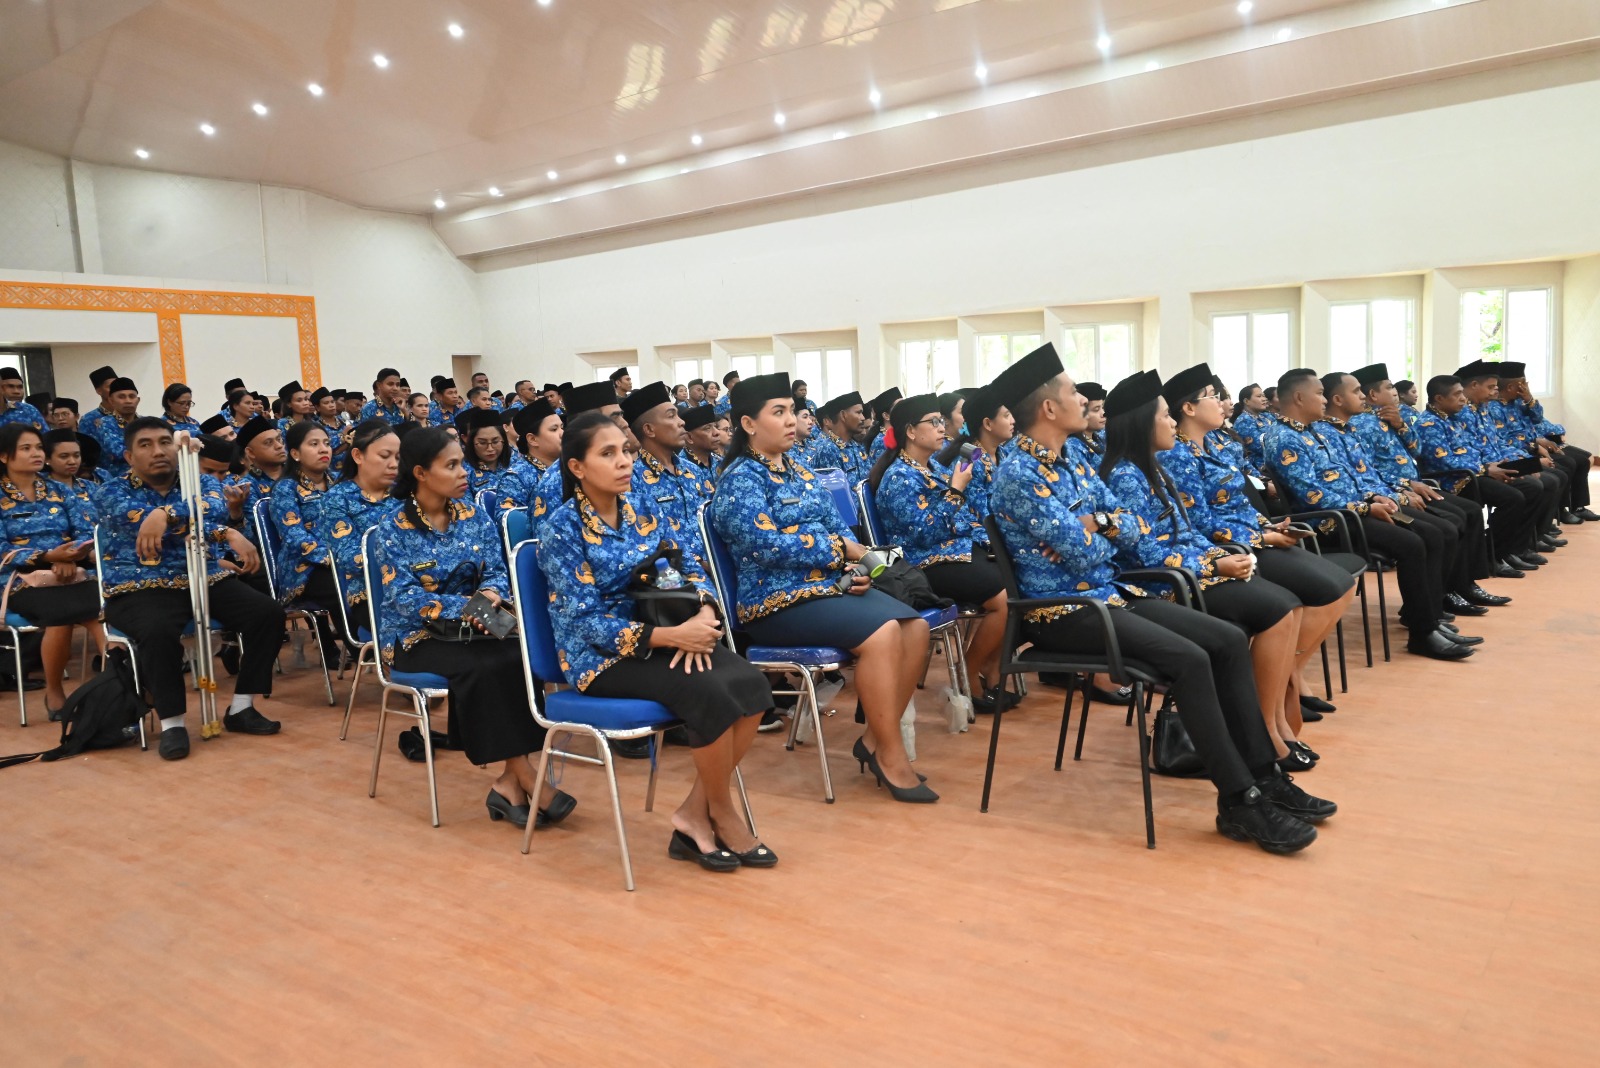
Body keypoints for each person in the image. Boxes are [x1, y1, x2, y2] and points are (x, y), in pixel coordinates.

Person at [987, 345, 1333, 853]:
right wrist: (1103, 530)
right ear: (1048, 409)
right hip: (1061, 611)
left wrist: (1100, 522)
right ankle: (1240, 801)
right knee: (1192, 659)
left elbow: (1130, 529)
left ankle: (1266, 774)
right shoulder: (1019, 473)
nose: (1082, 399)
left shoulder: (1077, 460)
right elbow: (1081, 557)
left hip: (1110, 596)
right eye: (1071, 392)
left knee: (1229, 639)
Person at [541, 412, 776, 870]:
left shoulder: (642, 507)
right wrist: (672, 636)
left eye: (625, 451)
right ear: (577, 468)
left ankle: (694, 811)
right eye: (607, 454)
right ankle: (722, 813)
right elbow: (584, 621)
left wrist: (705, 611)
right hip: (603, 659)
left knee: (750, 685)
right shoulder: (561, 530)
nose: (624, 461)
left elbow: (691, 566)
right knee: (708, 692)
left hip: (672, 635)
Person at [709, 373, 936, 803]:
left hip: (829, 590)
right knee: (885, 632)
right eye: (778, 412)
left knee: (915, 628)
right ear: (748, 424)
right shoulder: (740, 481)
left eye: (791, 411)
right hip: (775, 601)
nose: (792, 420)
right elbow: (764, 546)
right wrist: (836, 551)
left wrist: (858, 568)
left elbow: (839, 531)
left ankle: (873, 740)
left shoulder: (801, 471)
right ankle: (890, 754)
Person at [1100, 369, 1313, 770]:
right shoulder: (1126, 476)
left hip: (1192, 571)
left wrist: (1219, 557)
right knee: (1277, 609)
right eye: (1164, 416)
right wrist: (1214, 562)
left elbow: (1186, 532)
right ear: (1142, 424)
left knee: (1285, 604)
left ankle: (1272, 721)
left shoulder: (1150, 468)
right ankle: (1263, 730)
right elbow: (1146, 552)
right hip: (1162, 585)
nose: (1170, 424)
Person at [376, 426, 574, 829]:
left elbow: (500, 570)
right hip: (416, 634)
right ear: (420, 473)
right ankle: (525, 777)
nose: (464, 472)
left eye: (462, 462)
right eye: (451, 465)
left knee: (519, 655)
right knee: (482, 667)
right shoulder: (391, 530)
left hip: (477, 618)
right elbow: (404, 599)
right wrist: (466, 606)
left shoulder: (472, 515)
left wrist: (490, 593)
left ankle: (509, 781)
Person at [1160, 364, 1358, 760]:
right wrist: (1260, 537)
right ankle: (1268, 719)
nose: (1222, 402)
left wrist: (1271, 525)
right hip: (1231, 551)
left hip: (1253, 538)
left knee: (1338, 581)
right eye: (1213, 396)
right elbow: (1197, 524)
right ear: (1188, 408)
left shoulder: (1216, 445)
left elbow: (1236, 505)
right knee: (1302, 596)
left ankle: (1286, 683)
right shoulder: (1178, 456)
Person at [94, 418, 286, 759]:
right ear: (128, 457)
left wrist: (166, 515)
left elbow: (211, 508)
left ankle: (242, 707)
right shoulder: (111, 490)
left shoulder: (197, 481)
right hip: (138, 585)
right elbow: (136, 516)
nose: (158, 451)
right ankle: (173, 724)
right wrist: (205, 527)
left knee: (267, 613)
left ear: (177, 447)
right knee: (157, 631)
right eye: (145, 444)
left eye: (165, 442)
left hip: (201, 575)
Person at [1266, 369, 1473, 661]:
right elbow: (1312, 496)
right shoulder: (1284, 438)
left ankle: (1428, 619)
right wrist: (1366, 507)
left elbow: (1350, 479)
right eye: (1319, 393)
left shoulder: (1311, 431)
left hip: (1354, 510)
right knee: (1412, 544)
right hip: (1328, 521)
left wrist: (1375, 497)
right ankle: (1422, 633)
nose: (1324, 399)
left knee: (1433, 532)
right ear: (1299, 397)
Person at [867, 393, 1009, 709]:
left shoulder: (933, 467)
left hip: (953, 551)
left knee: (1020, 580)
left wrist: (988, 539)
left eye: (941, 421)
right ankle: (970, 673)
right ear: (911, 431)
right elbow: (924, 532)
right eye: (933, 422)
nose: (941, 426)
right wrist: (957, 490)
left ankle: (993, 669)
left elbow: (964, 519)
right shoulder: (899, 477)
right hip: (922, 563)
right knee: (1004, 599)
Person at [1346, 363, 1506, 613]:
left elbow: (1416, 449)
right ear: (1374, 396)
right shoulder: (1362, 426)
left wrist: (1400, 424)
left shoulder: (1390, 417)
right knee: (1451, 523)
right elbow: (1370, 469)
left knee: (1471, 512)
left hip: (1414, 485)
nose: (1395, 392)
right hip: (1397, 491)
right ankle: (1443, 594)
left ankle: (1464, 584)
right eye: (1389, 388)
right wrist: (1405, 486)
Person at [0, 424, 106, 716]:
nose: (36, 453)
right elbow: (1, 549)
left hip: (70, 571)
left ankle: (116, 690)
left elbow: (85, 530)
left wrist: (70, 557)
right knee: (61, 616)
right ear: (4, 456)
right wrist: (47, 556)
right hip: (20, 580)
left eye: (38, 447)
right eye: (26, 448)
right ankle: (55, 692)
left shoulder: (58, 489)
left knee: (105, 611)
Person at [1415, 374, 1547, 575]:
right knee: (1512, 498)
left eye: (1462, 393)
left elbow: (1475, 447)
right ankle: (1492, 555)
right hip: (1454, 479)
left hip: (1476, 471)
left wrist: (1495, 465)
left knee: (1532, 486)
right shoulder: (1429, 424)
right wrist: (1486, 469)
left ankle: (1512, 549)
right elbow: (1444, 461)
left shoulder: (1454, 417)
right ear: (1439, 399)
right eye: (1457, 394)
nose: (1462, 399)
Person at [1493, 362, 1597, 523]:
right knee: (1563, 468)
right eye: (1523, 385)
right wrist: (1535, 446)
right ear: (1511, 387)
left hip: (1531, 446)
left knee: (1580, 461)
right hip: (1520, 452)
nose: (1526, 387)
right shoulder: (1494, 408)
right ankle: (1556, 513)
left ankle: (1573, 509)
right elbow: (1504, 439)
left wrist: (1529, 399)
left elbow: (1538, 419)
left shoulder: (1520, 401)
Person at [625, 382, 711, 571]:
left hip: (717, 570)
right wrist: (701, 566)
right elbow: (647, 543)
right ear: (649, 430)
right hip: (675, 581)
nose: (681, 422)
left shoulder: (693, 471)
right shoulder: (633, 479)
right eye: (671, 416)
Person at [527, 382, 625, 538]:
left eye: (622, 416)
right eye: (614, 418)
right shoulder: (554, 483)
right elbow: (549, 545)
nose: (624, 424)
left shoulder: (627, 465)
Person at [81, 376, 140, 480]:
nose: (128, 401)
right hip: (117, 480)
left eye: (132, 396)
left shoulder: (146, 422)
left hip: (147, 478)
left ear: (138, 400)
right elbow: (118, 451)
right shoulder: (104, 423)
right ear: (111, 401)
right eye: (121, 397)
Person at [812, 391, 870, 483]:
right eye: (858, 413)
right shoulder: (828, 449)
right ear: (843, 415)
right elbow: (836, 493)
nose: (863, 418)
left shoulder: (857, 446)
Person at [457, 407, 514, 496]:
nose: (490, 448)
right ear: (471, 442)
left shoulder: (515, 465)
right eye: (482, 443)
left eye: (495, 442)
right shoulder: (464, 473)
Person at [42, 429, 101, 500]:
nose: (72, 462)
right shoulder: (40, 490)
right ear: (47, 459)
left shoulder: (91, 487)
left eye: (76, 455)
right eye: (64, 456)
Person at [682, 404, 722, 470]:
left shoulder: (720, 462)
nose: (717, 432)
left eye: (715, 426)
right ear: (689, 437)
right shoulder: (681, 469)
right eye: (707, 428)